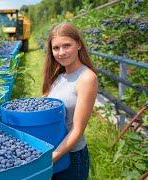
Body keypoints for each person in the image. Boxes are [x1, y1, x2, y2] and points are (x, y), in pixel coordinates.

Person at [42, 22, 98, 180]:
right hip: (52, 150)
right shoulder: (58, 76)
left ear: (79, 44)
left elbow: (77, 130)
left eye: (67, 46)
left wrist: (52, 157)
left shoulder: (86, 78)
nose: (61, 53)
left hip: (71, 158)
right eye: (56, 48)